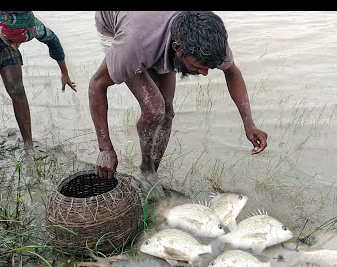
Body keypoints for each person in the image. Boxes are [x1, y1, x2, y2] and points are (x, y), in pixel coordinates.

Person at [89, 11, 268, 186]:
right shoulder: (131, 45)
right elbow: (96, 84)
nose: (205, 73)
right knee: (154, 108)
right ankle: (146, 168)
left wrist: (249, 124)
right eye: (199, 66)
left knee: (167, 111)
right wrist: (105, 148)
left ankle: (152, 172)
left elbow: (232, 71)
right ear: (177, 48)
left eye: (209, 67)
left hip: (155, 32)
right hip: (118, 26)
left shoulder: (211, 41)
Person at [0, 11, 77, 152]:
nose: (16, 46)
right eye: (12, 41)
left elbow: (54, 41)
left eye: (20, 41)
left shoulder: (34, 27)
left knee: (17, 90)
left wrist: (64, 73)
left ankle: (28, 145)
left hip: (4, 45)